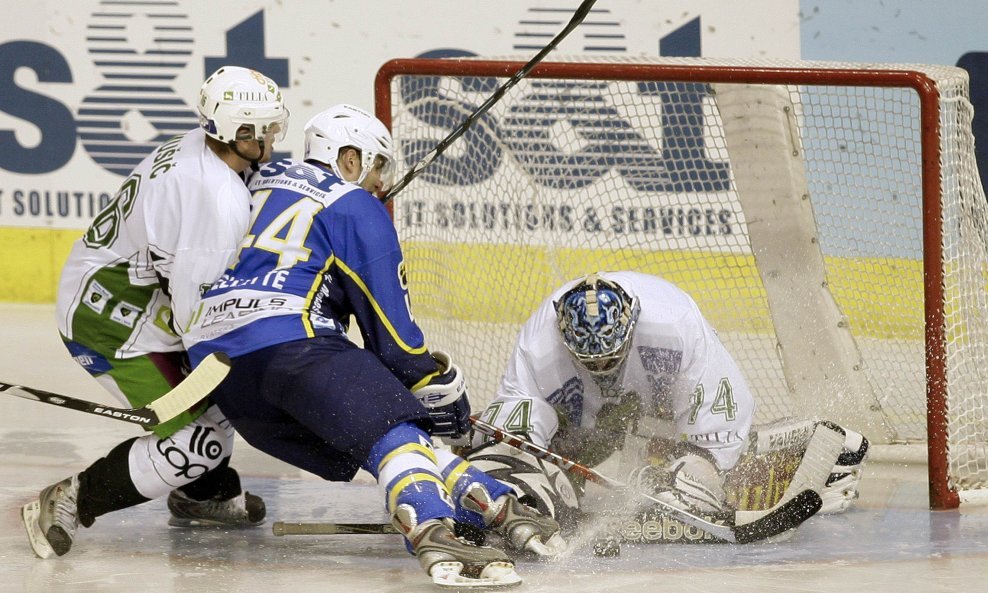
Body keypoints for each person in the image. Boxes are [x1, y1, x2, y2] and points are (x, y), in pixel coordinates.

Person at [182, 104, 563, 588]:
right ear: (348, 158)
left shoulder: (260, 176)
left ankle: (490, 500)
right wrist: (439, 386)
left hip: (220, 371)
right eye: (377, 165)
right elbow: (397, 345)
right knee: (395, 427)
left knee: (377, 438)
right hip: (293, 346)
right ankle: (429, 524)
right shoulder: (354, 205)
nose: (380, 181)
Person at [22, 66, 289, 560]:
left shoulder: (204, 149)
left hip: (133, 299)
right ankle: (72, 496)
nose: (273, 137)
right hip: (113, 324)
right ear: (237, 131)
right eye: (264, 128)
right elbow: (199, 322)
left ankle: (199, 493)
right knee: (198, 435)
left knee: (217, 405)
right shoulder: (212, 198)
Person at [464, 271, 870, 536]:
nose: (602, 368)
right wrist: (507, 465)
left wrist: (699, 468)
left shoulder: (674, 323)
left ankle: (818, 454)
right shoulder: (539, 344)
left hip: (659, 405)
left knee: (702, 469)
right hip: (585, 423)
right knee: (527, 463)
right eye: (590, 361)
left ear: (633, 322)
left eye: (610, 357)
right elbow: (520, 422)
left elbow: (717, 406)